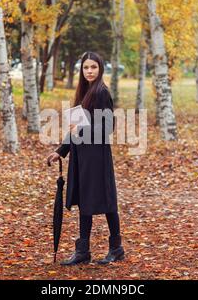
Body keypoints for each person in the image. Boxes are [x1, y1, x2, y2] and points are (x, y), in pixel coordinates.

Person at [46, 51, 124, 265]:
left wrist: (81, 129)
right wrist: (61, 151)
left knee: (107, 202)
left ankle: (116, 248)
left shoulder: (101, 92)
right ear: (82, 70)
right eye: (86, 67)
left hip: (97, 157)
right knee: (84, 201)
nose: (90, 71)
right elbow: (75, 129)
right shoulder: (84, 92)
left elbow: (107, 128)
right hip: (82, 155)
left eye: (94, 67)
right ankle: (83, 251)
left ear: (100, 69)